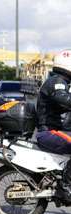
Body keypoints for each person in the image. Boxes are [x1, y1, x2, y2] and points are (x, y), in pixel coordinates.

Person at [35, 49, 71, 203]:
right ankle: (65, 186)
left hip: (54, 130)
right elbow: (63, 99)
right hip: (48, 132)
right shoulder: (57, 82)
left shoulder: (61, 82)